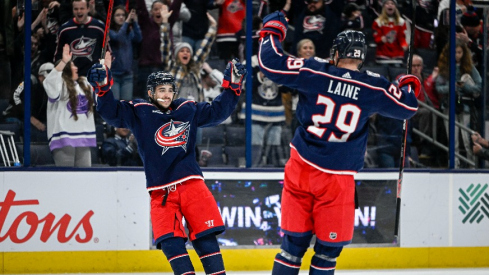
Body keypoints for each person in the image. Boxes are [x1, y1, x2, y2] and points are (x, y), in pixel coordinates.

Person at [258, 11, 420, 274]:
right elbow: (408, 107)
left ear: (335, 53)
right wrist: (407, 84)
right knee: (327, 253)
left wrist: (273, 28)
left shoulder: (314, 70)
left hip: (301, 168)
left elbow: (270, 63)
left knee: (291, 247)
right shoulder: (374, 86)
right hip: (337, 177)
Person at [87, 53, 246, 275]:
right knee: (170, 244)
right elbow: (111, 113)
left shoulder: (187, 109)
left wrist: (233, 88)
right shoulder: (138, 111)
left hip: (192, 185)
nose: (167, 94)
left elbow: (217, 113)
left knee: (205, 239)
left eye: (170, 90)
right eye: (161, 90)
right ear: (151, 92)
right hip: (160, 192)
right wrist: (102, 88)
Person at [43, 44, 96, 167]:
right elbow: (49, 82)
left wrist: (106, 69)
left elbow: (101, 87)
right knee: (66, 179)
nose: (76, 68)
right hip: (63, 139)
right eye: (72, 65)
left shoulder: (84, 84)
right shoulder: (59, 85)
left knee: (84, 179)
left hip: (84, 138)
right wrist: (63, 62)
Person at [436, 40, 481, 168]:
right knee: (453, 139)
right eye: (454, 52)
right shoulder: (444, 68)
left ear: (464, 53)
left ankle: (472, 166)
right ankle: (454, 165)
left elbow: (478, 86)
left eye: (459, 52)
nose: (456, 55)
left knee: (467, 139)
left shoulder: (469, 68)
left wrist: (465, 86)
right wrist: (452, 87)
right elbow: (439, 87)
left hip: (465, 106)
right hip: (449, 106)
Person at [2, 62, 53, 142]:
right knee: (15, 125)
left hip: (35, 119)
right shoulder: (29, 80)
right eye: (48, 79)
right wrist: (29, 117)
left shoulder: (53, 90)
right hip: (16, 115)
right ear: (40, 77)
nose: (50, 82)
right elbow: (14, 96)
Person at [53, 0, 105, 76]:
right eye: (76, 9)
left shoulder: (99, 27)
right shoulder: (65, 29)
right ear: (72, 10)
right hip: (72, 77)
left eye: (82, 8)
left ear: (88, 9)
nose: (79, 11)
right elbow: (58, 56)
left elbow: (107, 52)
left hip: (94, 77)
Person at [109, 6, 142, 100]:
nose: (121, 17)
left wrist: (134, 22)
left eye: (123, 15)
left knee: (126, 105)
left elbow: (139, 38)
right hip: (114, 74)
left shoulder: (129, 32)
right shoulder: (110, 32)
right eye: (118, 15)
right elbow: (118, 37)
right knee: (115, 104)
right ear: (113, 18)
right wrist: (127, 22)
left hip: (127, 75)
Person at [372, 0, 407, 69]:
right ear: (383, 6)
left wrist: (404, 45)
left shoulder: (401, 22)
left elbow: (402, 37)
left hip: (397, 57)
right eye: (387, 3)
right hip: (382, 56)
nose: (390, 5)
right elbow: (376, 38)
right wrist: (381, 39)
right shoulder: (378, 22)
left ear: (395, 7)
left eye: (392, 4)